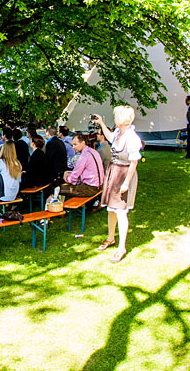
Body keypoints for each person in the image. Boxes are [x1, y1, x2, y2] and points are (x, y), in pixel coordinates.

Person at [93, 106, 141, 264]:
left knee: (121, 211)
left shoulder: (132, 138)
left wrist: (126, 182)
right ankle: (110, 238)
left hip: (124, 174)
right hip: (114, 172)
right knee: (111, 209)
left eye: (115, 116)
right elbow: (109, 136)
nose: (114, 119)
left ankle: (122, 248)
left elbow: (134, 162)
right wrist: (101, 123)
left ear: (121, 119)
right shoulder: (118, 133)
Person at [59, 133, 104, 198]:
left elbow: (74, 177)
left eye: (75, 144)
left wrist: (66, 178)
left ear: (83, 143)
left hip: (90, 188)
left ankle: (58, 206)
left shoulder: (83, 156)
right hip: (99, 185)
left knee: (57, 189)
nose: (73, 147)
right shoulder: (94, 151)